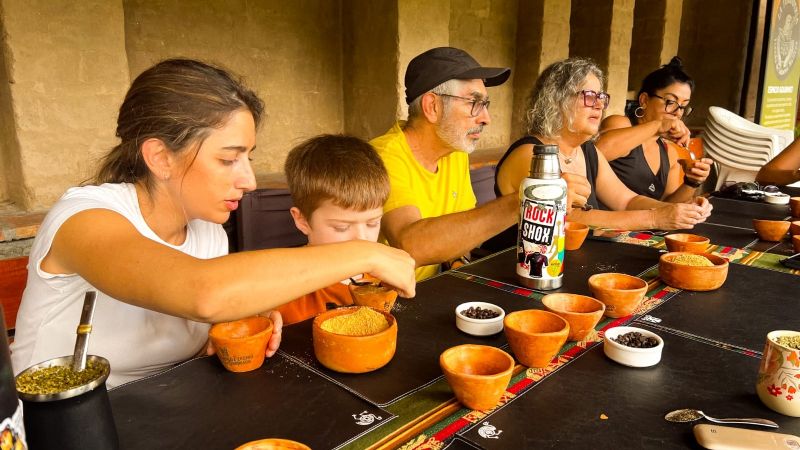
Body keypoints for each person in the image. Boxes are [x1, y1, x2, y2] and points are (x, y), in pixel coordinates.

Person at [10, 59, 416, 387]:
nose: (250, 181)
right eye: (228, 159)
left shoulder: (207, 232)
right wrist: (366, 251)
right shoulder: (83, 218)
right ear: (160, 157)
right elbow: (204, 291)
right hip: (56, 427)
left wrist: (241, 321)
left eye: (248, 158)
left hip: (166, 412)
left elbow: (214, 309)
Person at [370, 47, 584, 280]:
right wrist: (529, 199)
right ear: (433, 107)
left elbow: (462, 233)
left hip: (431, 287)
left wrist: (457, 263)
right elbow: (411, 246)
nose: (486, 118)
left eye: (485, 104)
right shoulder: (382, 157)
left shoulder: (454, 152)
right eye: (474, 103)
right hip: (379, 302)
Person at [492, 57, 712, 245]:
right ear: (556, 99)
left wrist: (681, 209)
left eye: (601, 97)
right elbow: (569, 217)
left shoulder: (586, 151)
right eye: (589, 96)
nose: (599, 105)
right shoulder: (531, 153)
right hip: (519, 270)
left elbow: (626, 201)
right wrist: (655, 218)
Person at [276, 134, 390, 325]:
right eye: (341, 227)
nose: (361, 239)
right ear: (302, 220)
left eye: (372, 223)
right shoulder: (280, 289)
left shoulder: (384, 278)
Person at [596, 57, 713, 202]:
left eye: (683, 106)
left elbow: (666, 207)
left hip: (644, 223)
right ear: (644, 100)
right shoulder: (620, 123)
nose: (677, 112)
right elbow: (597, 152)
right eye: (671, 102)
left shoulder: (669, 153)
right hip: (603, 223)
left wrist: (692, 182)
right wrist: (658, 125)